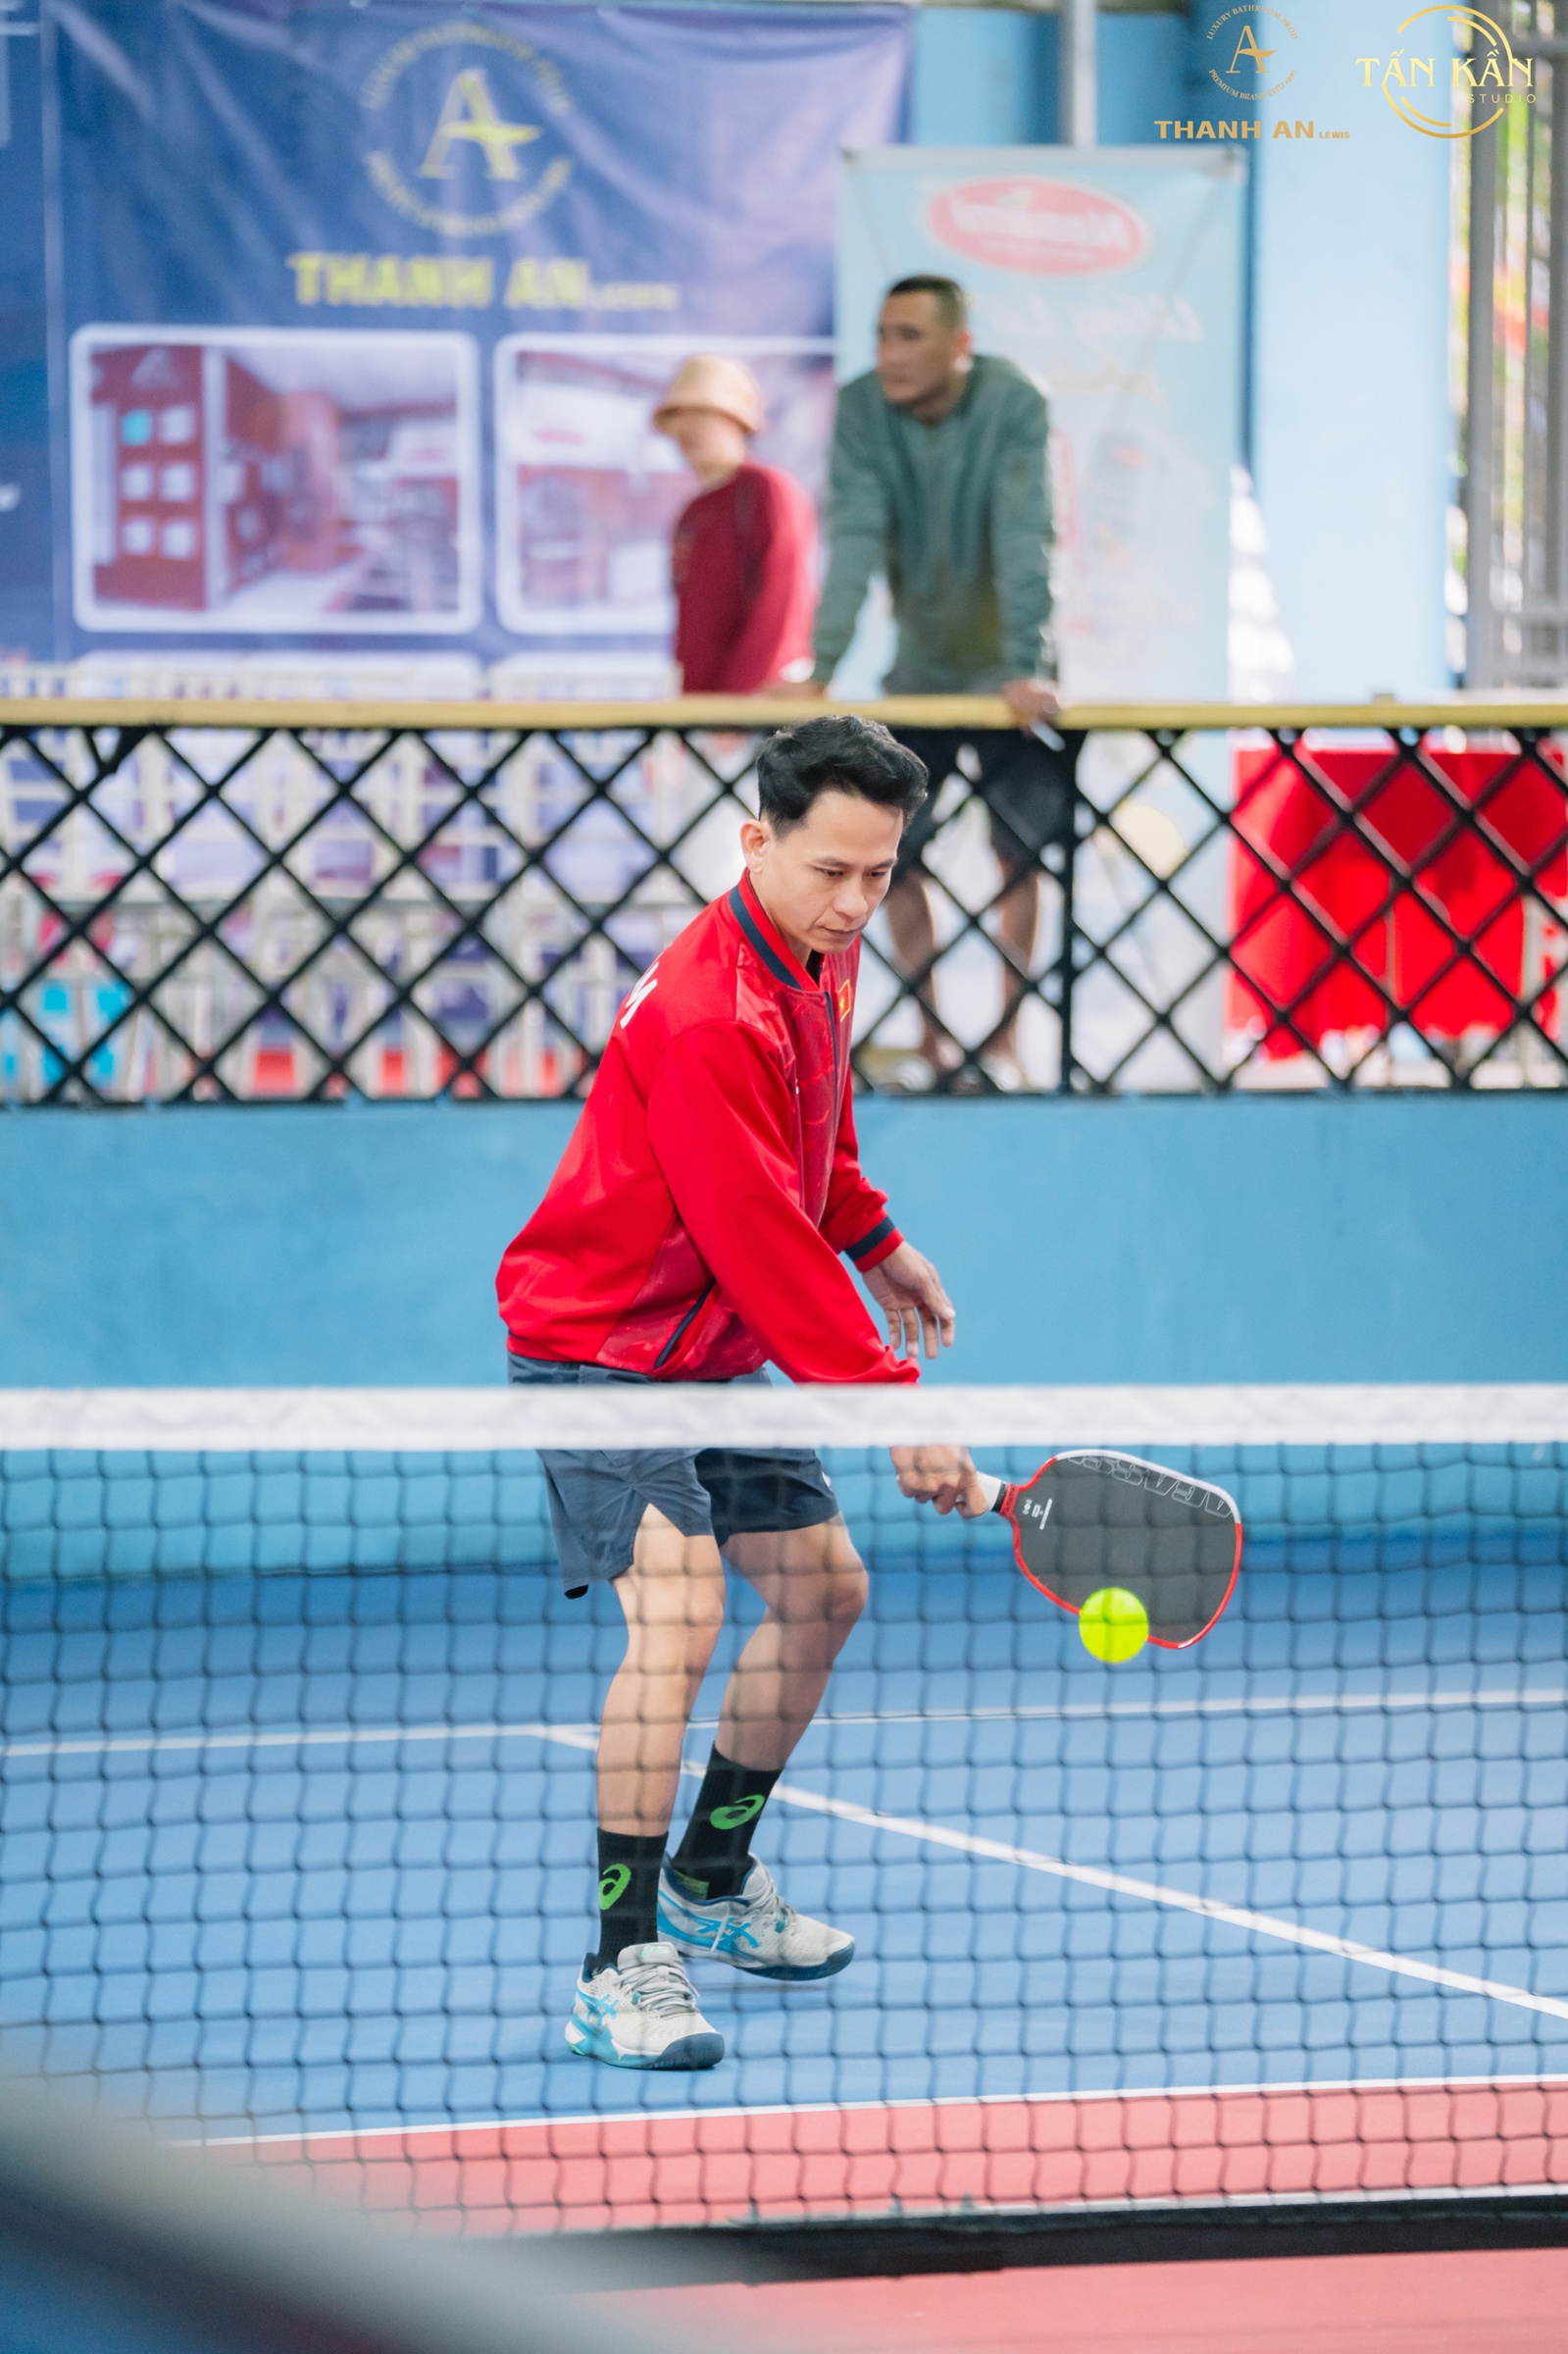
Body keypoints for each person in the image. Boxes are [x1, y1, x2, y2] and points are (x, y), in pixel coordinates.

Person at [495, 715, 974, 2073]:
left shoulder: (818, 952)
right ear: (755, 840)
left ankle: (710, 1882)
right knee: (683, 1615)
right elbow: (760, 1241)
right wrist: (891, 1409)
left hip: (708, 1356)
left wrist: (875, 1236)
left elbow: (813, 1133)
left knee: (824, 1592)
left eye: (880, 872)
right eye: (831, 870)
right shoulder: (710, 1016)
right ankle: (618, 1960)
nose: (856, 901)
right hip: (601, 1354)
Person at [790, 276, 1065, 1088]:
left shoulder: (1012, 402)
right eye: (881, 335)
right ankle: (933, 1038)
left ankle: (1006, 1046)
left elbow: (1025, 531)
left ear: (959, 345)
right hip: (919, 672)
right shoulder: (862, 408)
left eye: (908, 335)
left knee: (1021, 854)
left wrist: (1025, 663)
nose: (889, 353)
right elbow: (854, 534)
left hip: (1012, 672)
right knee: (886, 855)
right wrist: (821, 667)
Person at [652, 354, 817, 693]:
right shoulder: (692, 511)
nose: (687, 427)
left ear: (737, 420)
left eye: (702, 412)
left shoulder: (768, 490)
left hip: (760, 704)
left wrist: (741, 704)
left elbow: (783, 605)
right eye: (678, 414)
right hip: (705, 708)